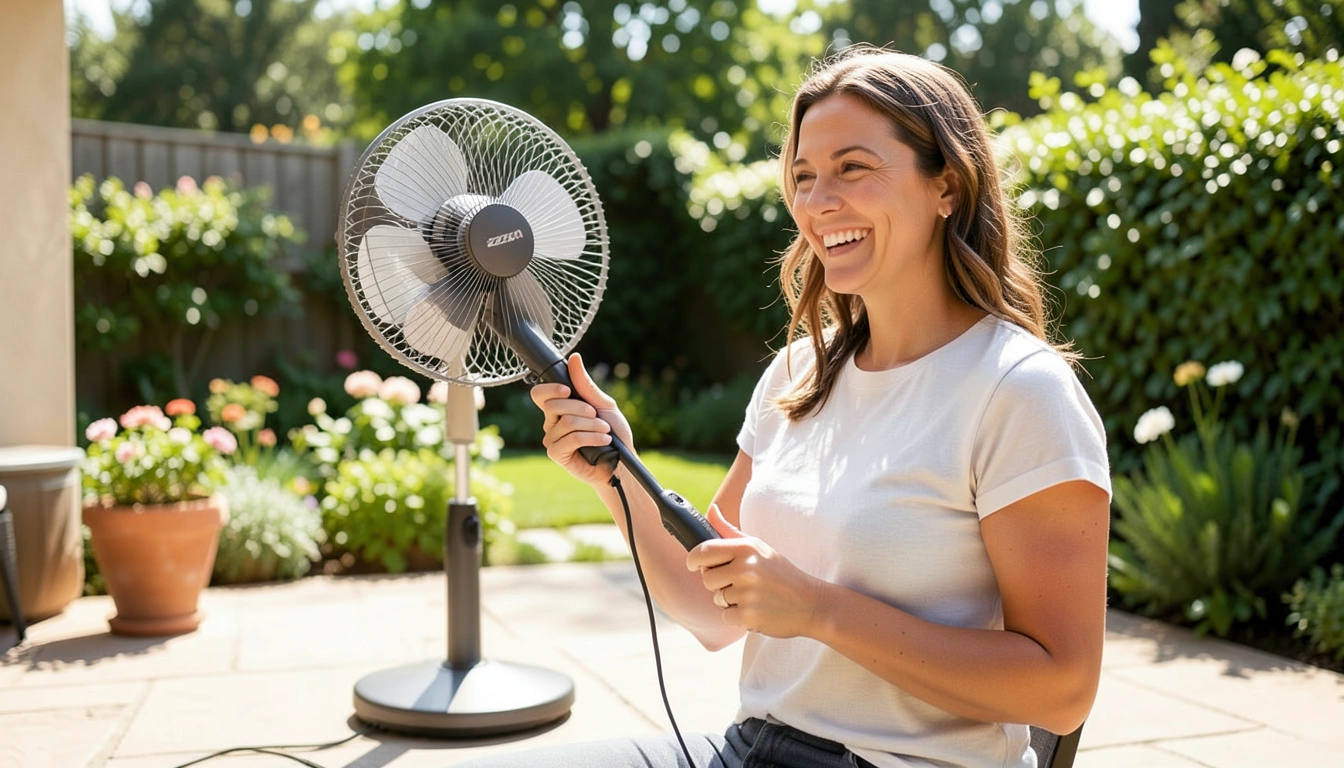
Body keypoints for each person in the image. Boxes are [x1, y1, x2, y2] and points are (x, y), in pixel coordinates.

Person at [464, 45, 1112, 768]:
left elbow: (1062, 689)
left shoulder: (1018, 390)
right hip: (751, 748)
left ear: (948, 186)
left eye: (853, 168)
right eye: (803, 177)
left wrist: (821, 611)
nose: (816, 201)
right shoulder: (798, 373)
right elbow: (711, 609)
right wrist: (618, 477)